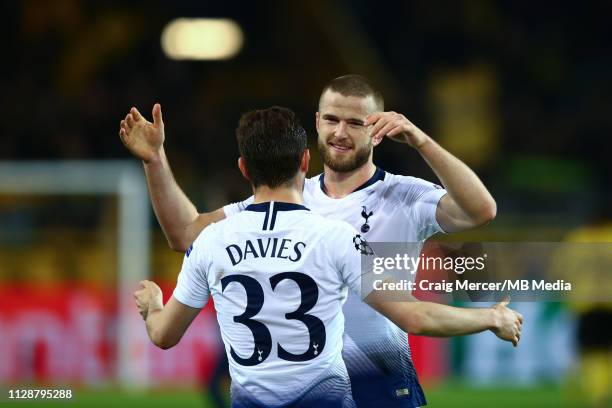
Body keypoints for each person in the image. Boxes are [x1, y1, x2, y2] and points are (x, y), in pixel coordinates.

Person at [120, 75, 511, 407]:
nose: (341, 132)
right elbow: (186, 233)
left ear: (377, 129)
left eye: (356, 123)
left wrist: (422, 141)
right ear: (317, 124)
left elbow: (481, 211)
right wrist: (156, 161)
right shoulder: (285, 196)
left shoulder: (404, 195)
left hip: (382, 381)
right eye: (332, 119)